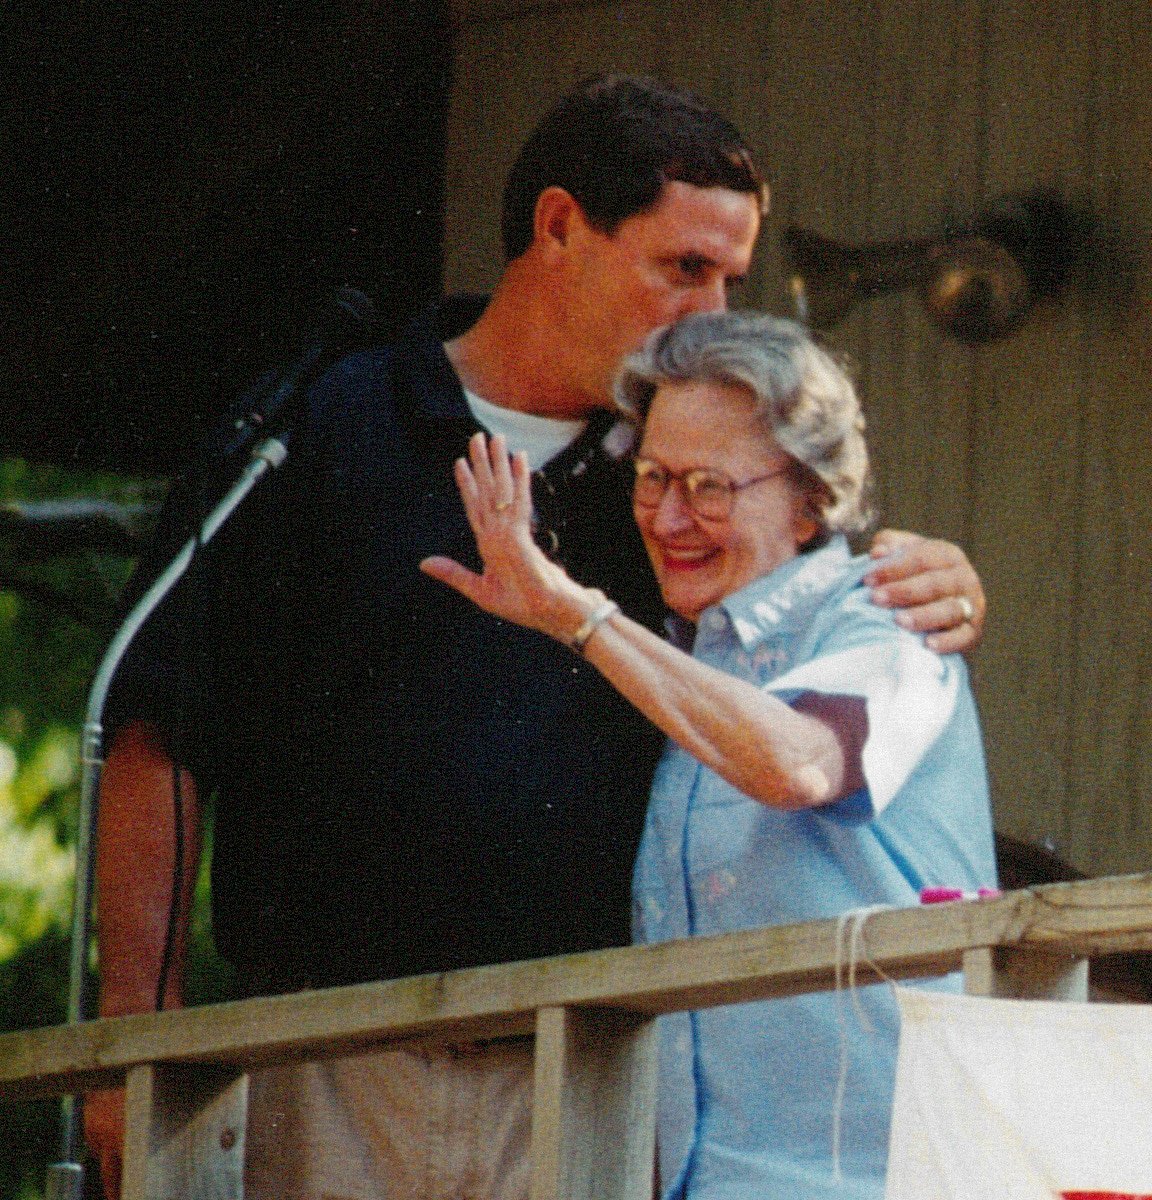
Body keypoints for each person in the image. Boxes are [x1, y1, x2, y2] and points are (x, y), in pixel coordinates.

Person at [86, 74, 987, 1200]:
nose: (714, 315)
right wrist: (136, 1028)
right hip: (326, 1059)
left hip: (599, 1065)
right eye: (684, 268)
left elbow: (811, 637)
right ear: (559, 227)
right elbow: (159, 725)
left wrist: (934, 576)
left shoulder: (676, 490)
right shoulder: (324, 425)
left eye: (732, 279)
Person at [421, 309, 997, 1200]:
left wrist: (577, 614)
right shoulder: (690, 658)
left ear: (812, 499)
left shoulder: (885, 611)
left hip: (876, 1182)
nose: (670, 518)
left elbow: (799, 765)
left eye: (709, 486)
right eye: (652, 479)